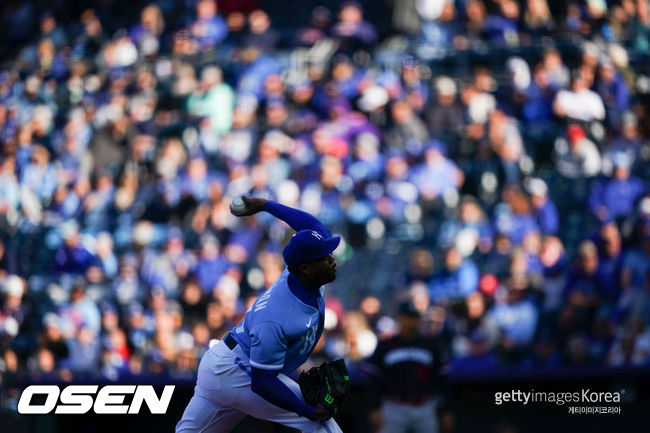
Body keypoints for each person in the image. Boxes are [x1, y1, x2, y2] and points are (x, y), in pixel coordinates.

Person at [176, 196, 343, 433]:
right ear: (306, 267)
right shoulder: (277, 316)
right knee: (323, 426)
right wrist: (305, 410)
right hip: (238, 370)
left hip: (225, 363)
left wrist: (266, 206)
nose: (331, 260)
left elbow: (312, 227)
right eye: (324, 258)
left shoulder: (301, 273)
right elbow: (262, 382)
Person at [363, 300, 450, 433]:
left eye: (414, 317)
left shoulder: (431, 345)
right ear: (399, 317)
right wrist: (374, 407)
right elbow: (374, 379)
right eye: (407, 317)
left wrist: (446, 410)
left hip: (424, 406)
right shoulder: (385, 345)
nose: (411, 321)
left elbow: (443, 379)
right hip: (393, 406)